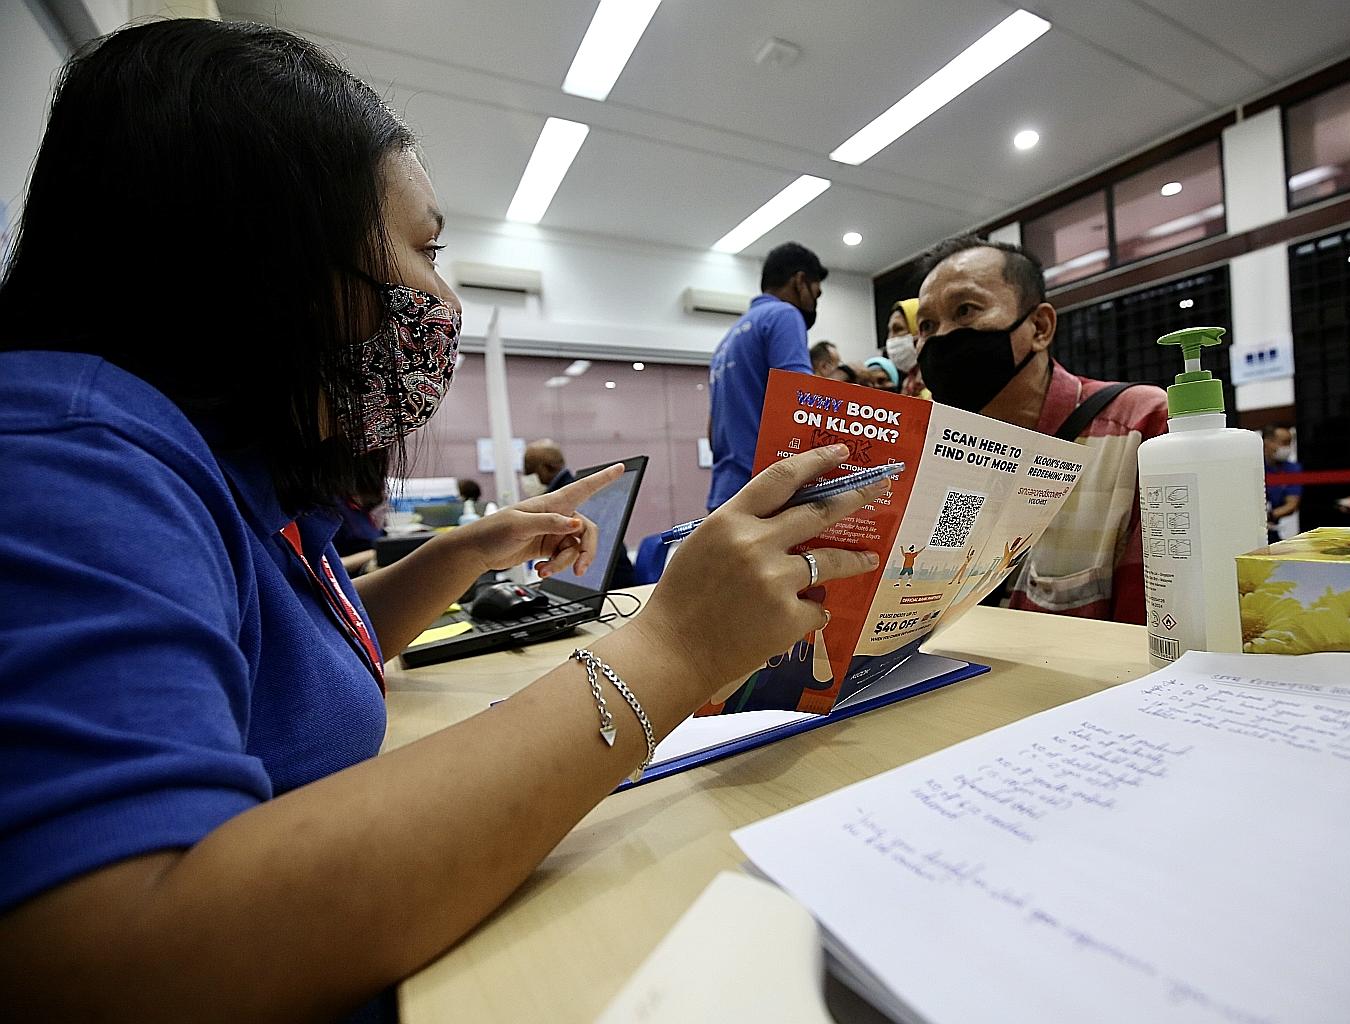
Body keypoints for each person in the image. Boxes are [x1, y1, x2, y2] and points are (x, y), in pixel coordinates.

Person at [0, 21, 887, 1022]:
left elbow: (285, 660)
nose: (444, 300)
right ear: (276, 256)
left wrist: (466, 549)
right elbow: (124, 958)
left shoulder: (224, 473)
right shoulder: (67, 456)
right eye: (424, 251)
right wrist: (674, 646)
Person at [914, 235, 1168, 624]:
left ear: (1039, 326)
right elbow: (937, 596)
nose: (942, 337)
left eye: (965, 310)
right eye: (928, 325)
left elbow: (1160, 633)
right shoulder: (944, 454)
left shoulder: (1138, 427)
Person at [706, 242, 826, 510]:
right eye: (815, 294)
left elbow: (713, 433)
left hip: (725, 494)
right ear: (800, 281)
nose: (814, 303)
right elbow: (802, 405)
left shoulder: (727, 341)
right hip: (764, 493)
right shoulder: (784, 315)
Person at [523, 438, 635, 587]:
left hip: (609, 586)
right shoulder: (573, 490)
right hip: (606, 579)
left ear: (545, 468)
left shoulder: (562, 501)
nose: (524, 476)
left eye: (528, 469)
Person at [1262, 424, 1302, 543]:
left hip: (1271, 528)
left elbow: (1291, 505)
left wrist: (1267, 517)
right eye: (1284, 442)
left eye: (1289, 443)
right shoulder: (1251, 466)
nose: (1287, 448)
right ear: (1266, 442)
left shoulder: (1292, 469)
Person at [884, 298, 929, 399]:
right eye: (889, 331)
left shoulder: (939, 383)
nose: (890, 338)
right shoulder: (908, 385)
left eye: (898, 329)